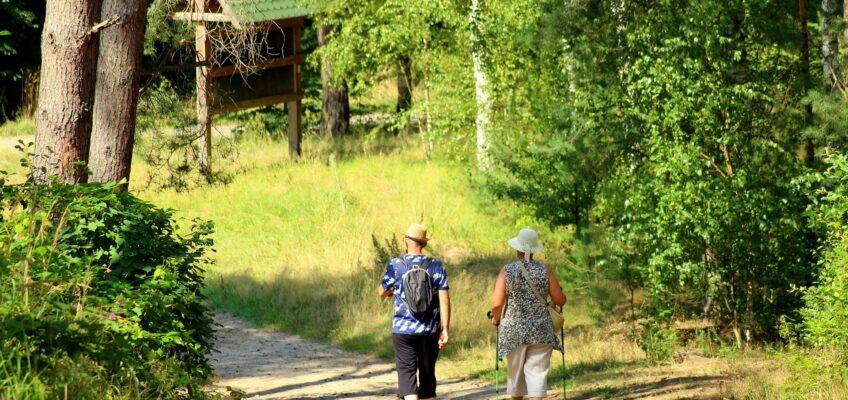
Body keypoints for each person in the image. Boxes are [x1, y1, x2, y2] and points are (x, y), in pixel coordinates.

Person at [490, 228, 566, 400]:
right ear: (534, 250)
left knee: (515, 377)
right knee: (537, 374)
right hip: (541, 329)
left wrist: (495, 319)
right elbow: (559, 300)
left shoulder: (507, 271)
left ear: (517, 248)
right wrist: (562, 295)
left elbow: (497, 304)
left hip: (514, 331)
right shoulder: (545, 271)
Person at [378, 223, 451, 400]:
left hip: (403, 331)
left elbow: (381, 291)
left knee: (407, 377)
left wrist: (391, 292)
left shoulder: (396, 265)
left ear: (406, 242)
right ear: (423, 244)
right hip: (429, 331)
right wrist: (445, 329)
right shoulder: (436, 265)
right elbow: (444, 298)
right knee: (427, 379)